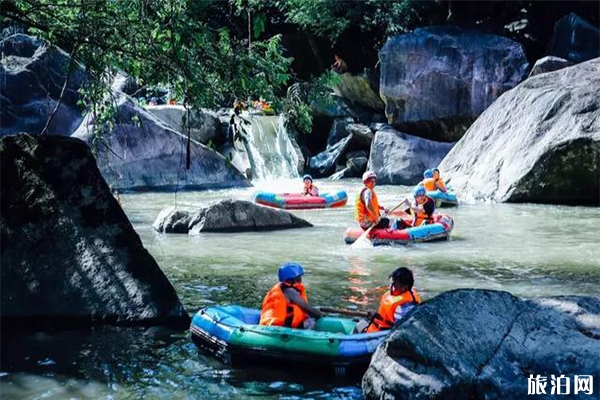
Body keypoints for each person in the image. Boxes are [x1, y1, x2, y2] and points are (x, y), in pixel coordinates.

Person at [260, 262, 323, 329]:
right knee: (311, 322)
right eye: (299, 279)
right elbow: (308, 309)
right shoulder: (290, 292)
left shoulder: (280, 289)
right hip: (281, 328)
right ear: (292, 280)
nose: (300, 281)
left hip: (272, 325)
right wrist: (321, 316)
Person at [358, 267, 421, 333]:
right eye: (391, 284)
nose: (390, 287)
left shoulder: (405, 306)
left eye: (394, 285)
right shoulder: (407, 295)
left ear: (404, 288)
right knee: (361, 323)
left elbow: (399, 330)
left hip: (379, 335)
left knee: (360, 325)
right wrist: (376, 316)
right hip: (380, 328)